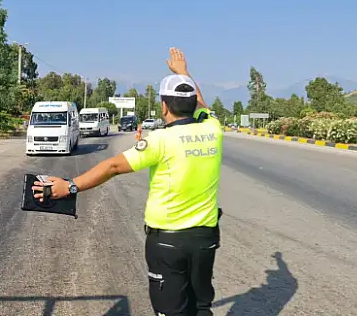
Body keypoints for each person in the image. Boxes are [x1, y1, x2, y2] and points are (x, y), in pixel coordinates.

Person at [33, 47, 223, 316]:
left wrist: (69, 186)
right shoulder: (212, 130)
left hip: (168, 243)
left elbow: (112, 166)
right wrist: (184, 73)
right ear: (192, 103)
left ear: (164, 106)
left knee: (171, 311)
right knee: (201, 306)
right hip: (205, 238)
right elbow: (203, 106)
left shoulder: (159, 140)